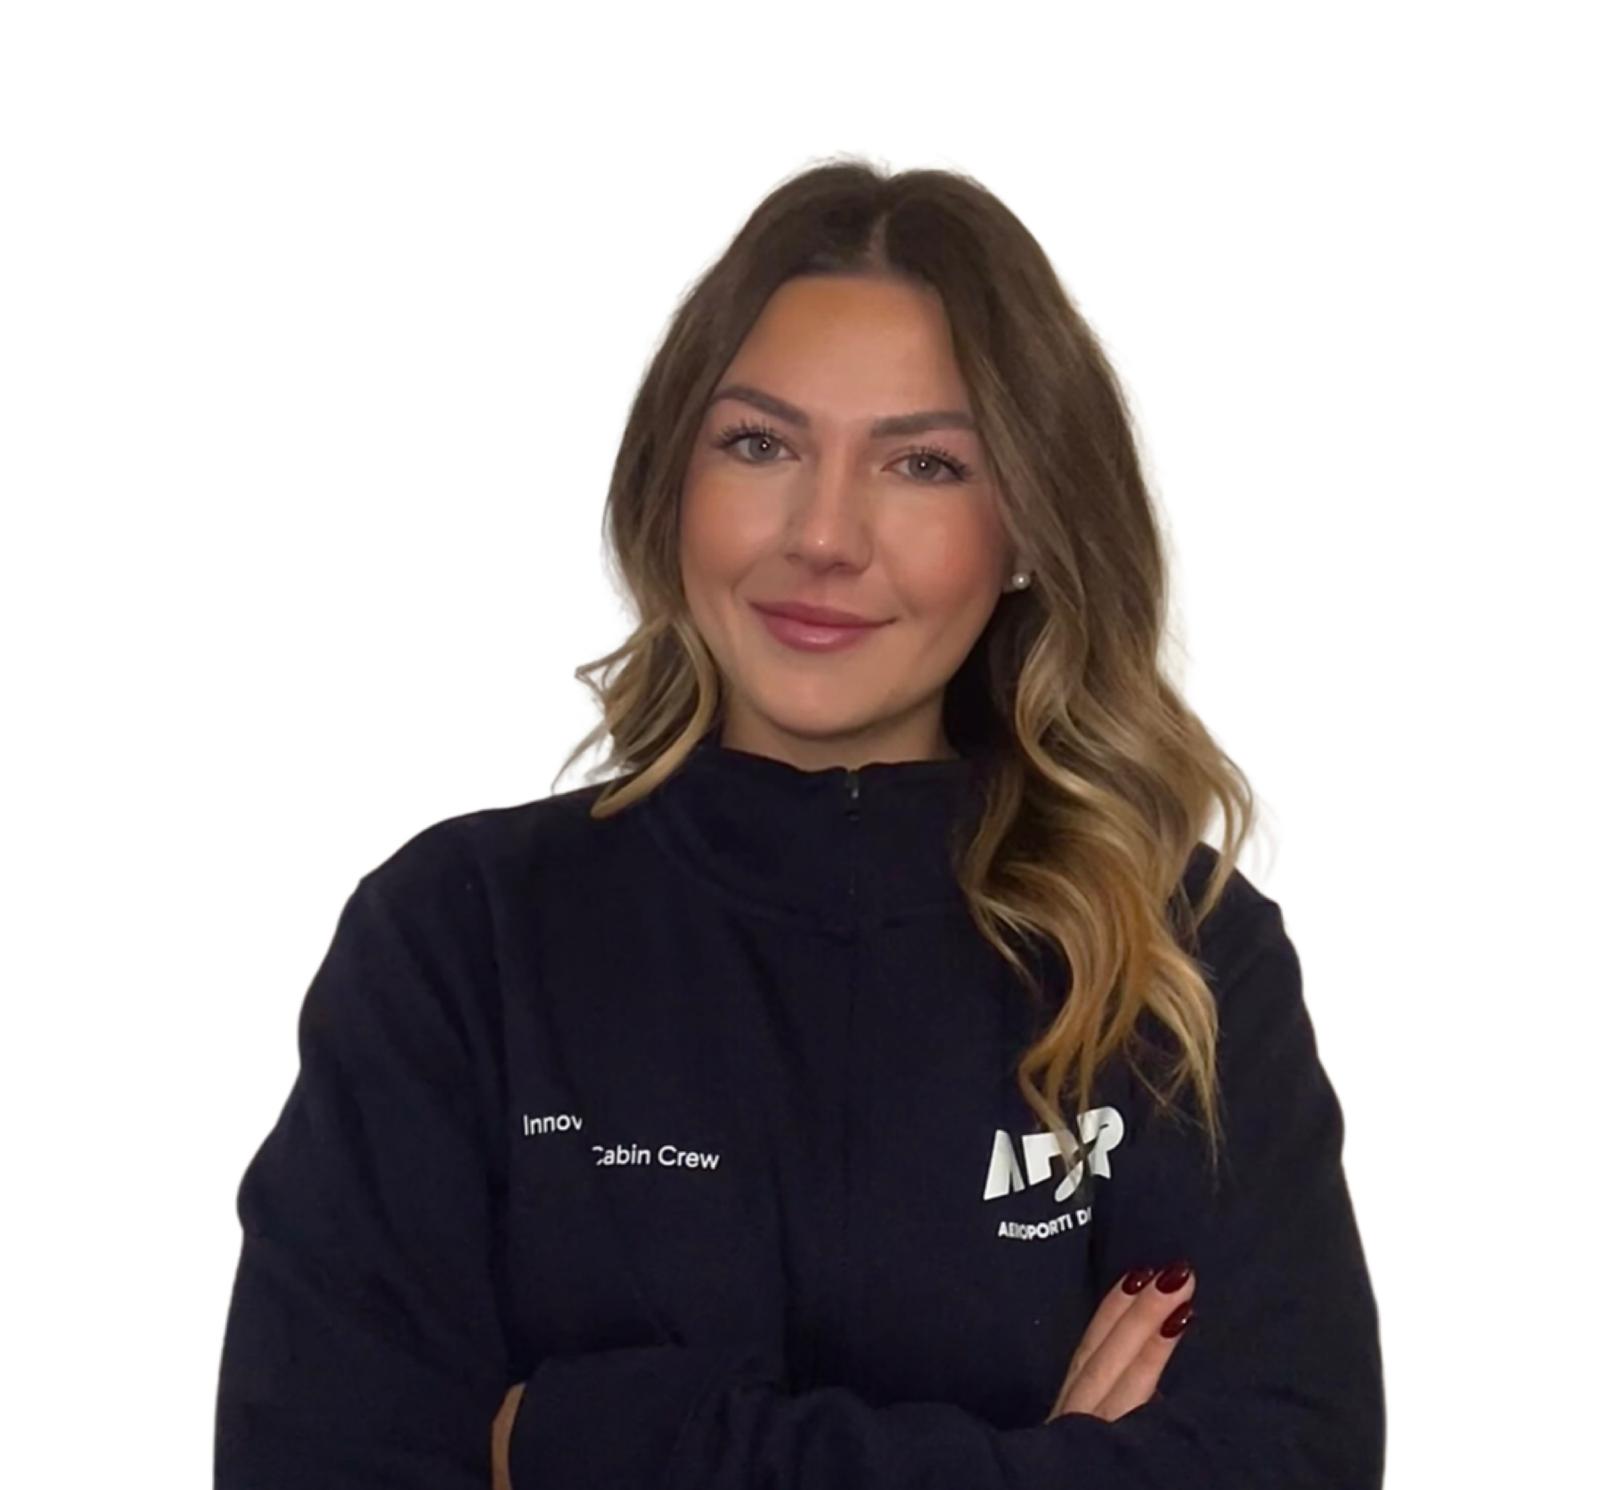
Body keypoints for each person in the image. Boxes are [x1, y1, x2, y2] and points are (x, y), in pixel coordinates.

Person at [214, 159, 1385, 1489]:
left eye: (925, 463)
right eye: (760, 444)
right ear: (672, 479)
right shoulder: (462, 940)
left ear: (1025, 526)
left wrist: (588, 1441)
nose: (824, 535)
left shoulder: (1183, 957)